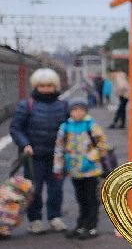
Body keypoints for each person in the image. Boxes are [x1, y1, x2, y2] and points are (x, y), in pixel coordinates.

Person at [9, 67, 69, 234]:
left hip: (57, 157)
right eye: (42, 86)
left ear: (55, 86)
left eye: (49, 85)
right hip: (34, 157)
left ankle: (55, 217)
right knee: (34, 190)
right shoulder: (26, 105)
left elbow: (71, 128)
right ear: (36, 86)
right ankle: (35, 220)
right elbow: (15, 128)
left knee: (56, 189)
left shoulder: (63, 106)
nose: (46, 89)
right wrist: (25, 144)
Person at [53, 100, 108, 239]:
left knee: (91, 198)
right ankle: (81, 225)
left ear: (85, 111)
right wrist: (58, 167)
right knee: (80, 198)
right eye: (74, 110)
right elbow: (59, 147)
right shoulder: (65, 127)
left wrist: (92, 157)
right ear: (70, 112)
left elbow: (103, 144)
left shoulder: (91, 125)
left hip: (91, 170)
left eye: (81, 109)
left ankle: (92, 226)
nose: (78, 112)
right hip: (74, 169)